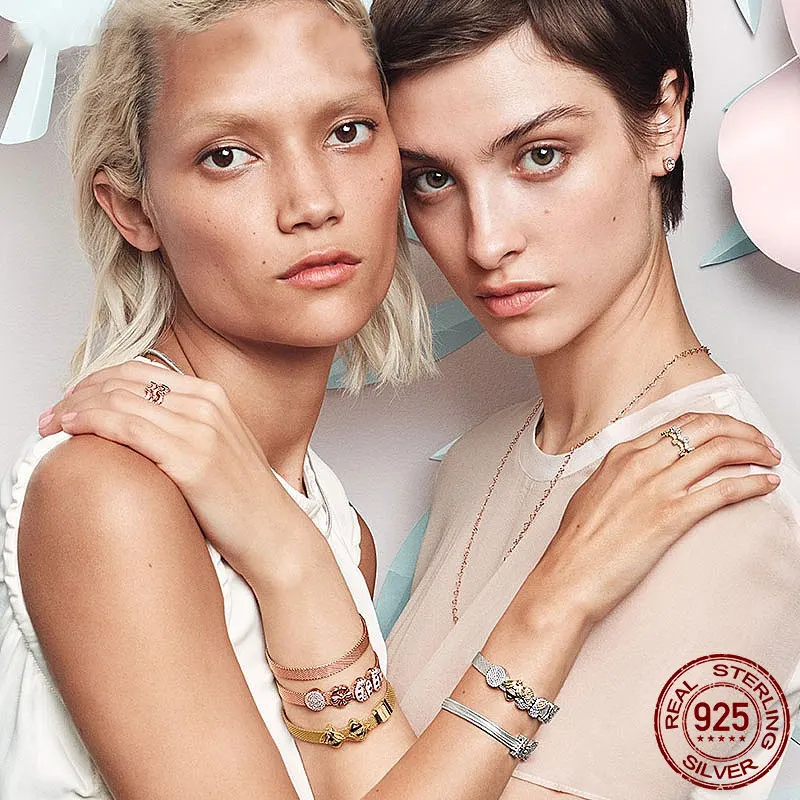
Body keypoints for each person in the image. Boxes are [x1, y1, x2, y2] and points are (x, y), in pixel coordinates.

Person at [6, 1, 787, 799]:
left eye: (346, 132)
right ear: (133, 208)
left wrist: (296, 556)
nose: (311, 205)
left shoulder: (715, 497)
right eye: (228, 155)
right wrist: (552, 603)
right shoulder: (118, 493)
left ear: (664, 117)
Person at [367, 0, 800, 797]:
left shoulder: (722, 504)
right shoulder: (478, 461)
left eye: (540, 155)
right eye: (433, 178)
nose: (485, 240)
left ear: (663, 118)